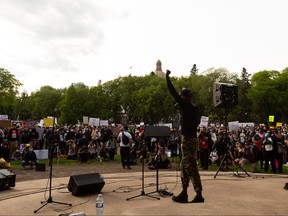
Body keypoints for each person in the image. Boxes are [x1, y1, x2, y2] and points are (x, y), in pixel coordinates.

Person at [166, 70, 204, 203]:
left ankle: (198, 193)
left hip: (187, 139)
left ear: (185, 97)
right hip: (192, 138)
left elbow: (172, 92)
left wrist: (167, 77)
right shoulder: (194, 108)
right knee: (184, 165)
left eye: (182, 96)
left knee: (190, 165)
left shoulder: (185, 105)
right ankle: (184, 192)